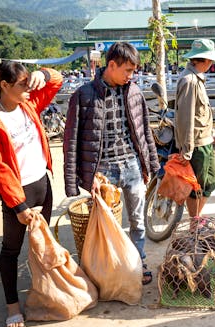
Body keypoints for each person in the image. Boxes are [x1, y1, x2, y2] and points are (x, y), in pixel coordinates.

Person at [63, 42, 159, 284]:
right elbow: (71, 141)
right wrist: (84, 178)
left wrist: (152, 165)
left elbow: (144, 131)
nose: (131, 75)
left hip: (132, 166)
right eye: (127, 70)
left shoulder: (134, 92)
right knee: (106, 227)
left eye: (133, 71)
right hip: (103, 173)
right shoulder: (83, 95)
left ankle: (137, 262)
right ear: (112, 65)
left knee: (138, 221)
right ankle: (109, 269)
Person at [0, 61, 63, 327]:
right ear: (4, 86)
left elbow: (57, 82)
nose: (28, 88)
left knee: (42, 246)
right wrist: (18, 205)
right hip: (19, 193)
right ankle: (12, 306)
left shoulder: (28, 103)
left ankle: (44, 292)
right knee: (11, 250)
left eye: (29, 83)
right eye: (22, 84)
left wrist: (43, 74)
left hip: (43, 185)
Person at [174, 38, 215, 219]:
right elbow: (185, 119)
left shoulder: (196, 78)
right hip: (196, 144)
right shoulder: (189, 81)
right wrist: (186, 151)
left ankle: (195, 218)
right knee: (196, 187)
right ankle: (194, 224)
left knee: (211, 182)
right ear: (207, 61)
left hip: (205, 139)